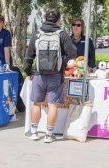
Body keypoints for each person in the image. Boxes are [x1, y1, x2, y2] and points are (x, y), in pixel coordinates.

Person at [24, 9, 76, 143]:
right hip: (55, 75)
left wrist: (28, 72)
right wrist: (63, 64)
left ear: (45, 19)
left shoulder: (37, 34)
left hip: (39, 74)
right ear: (58, 20)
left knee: (37, 103)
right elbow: (72, 53)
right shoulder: (62, 34)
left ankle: (34, 132)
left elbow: (29, 56)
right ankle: (48, 135)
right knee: (53, 105)